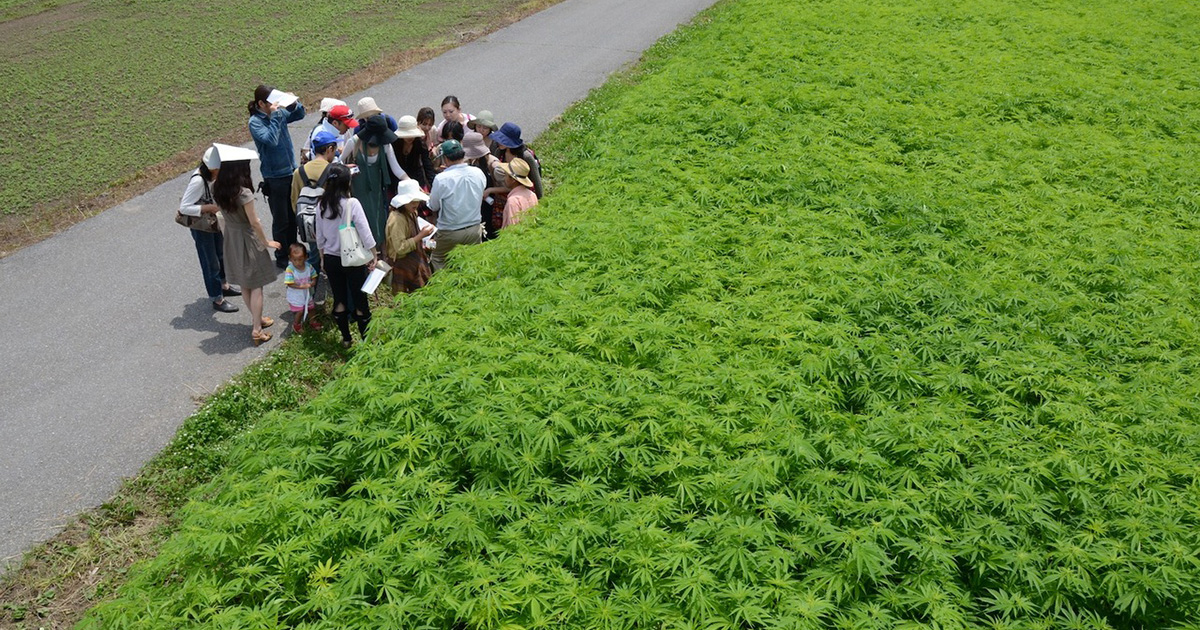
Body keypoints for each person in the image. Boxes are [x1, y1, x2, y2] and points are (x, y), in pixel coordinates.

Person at [210, 144, 281, 345]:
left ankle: (257, 320)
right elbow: (254, 222)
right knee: (256, 284)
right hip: (247, 238)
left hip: (231, 237)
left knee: (244, 283)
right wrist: (266, 242)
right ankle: (257, 329)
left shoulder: (216, 187)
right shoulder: (243, 193)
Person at [315, 163, 378, 347]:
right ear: (347, 182)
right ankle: (366, 341)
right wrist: (374, 254)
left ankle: (346, 339)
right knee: (360, 301)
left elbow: (319, 236)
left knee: (339, 298)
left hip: (332, 259)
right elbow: (365, 233)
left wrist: (322, 257)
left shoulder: (321, 205)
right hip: (352, 259)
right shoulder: (352, 204)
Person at [247, 84, 307, 268]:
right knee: (281, 220)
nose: (276, 105)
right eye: (272, 102)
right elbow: (271, 140)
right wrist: (275, 116)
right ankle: (282, 255)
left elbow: (299, 114)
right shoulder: (255, 122)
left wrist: (293, 102)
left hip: (291, 172)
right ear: (261, 104)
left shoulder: (277, 113)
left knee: (292, 216)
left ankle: (293, 250)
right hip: (275, 177)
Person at [180, 146, 240, 313]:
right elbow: (184, 208)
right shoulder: (198, 180)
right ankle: (217, 298)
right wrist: (207, 207)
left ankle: (223, 284)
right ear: (212, 168)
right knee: (210, 261)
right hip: (202, 227)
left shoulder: (209, 177)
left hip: (212, 223)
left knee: (220, 255)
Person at [291, 130, 340, 307]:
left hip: (309, 225)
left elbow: (294, 200)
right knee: (333, 258)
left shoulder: (299, 172)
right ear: (329, 149)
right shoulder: (333, 170)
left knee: (313, 257)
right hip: (330, 224)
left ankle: (308, 298)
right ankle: (337, 299)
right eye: (334, 149)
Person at [427, 139, 485, 271]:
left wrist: (426, 198)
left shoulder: (441, 178)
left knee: (439, 260)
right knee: (471, 264)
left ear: (445, 159)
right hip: (474, 229)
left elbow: (433, 206)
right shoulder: (478, 172)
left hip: (449, 232)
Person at [344, 115, 400, 245]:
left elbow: (396, 169)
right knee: (360, 218)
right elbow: (338, 163)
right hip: (357, 189)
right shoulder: (354, 143)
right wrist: (346, 168)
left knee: (379, 219)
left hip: (377, 190)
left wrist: (409, 181)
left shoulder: (385, 146)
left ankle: (379, 249)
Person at [386, 180, 435, 293]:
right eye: (412, 201)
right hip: (403, 265)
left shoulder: (412, 212)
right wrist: (421, 236)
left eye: (417, 201)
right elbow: (400, 248)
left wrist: (423, 240)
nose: (415, 204)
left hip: (415, 262)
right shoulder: (397, 219)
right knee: (406, 300)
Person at [462, 131, 501, 239]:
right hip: (477, 205)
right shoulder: (473, 161)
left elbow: (508, 187)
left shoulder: (493, 164)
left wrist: (489, 191)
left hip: (492, 205)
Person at [491, 122, 544, 199]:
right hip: (502, 196)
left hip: (522, 195)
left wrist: (540, 199)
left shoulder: (525, 156)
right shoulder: (499, 152)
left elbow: (536, 179)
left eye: (503, 140)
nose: (499, 142)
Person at [284, 243, 321, 333]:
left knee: (311, 308)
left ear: (305, 257)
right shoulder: (290, 269)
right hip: (296, 295)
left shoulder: (308, 267)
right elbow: (289, 283)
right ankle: (296, 324)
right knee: (299, 311)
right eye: (294, 260)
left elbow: (314, 275)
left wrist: (313, 282)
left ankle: (313, 320)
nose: (297, 263)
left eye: (300, 259)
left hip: (307, 294)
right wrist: (302, 286)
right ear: (290, 258)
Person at [393, 115, 435, 191]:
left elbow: (427, 165)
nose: (410, 138)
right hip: (397, 181)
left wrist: (434, 185)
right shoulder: (394, 145)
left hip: (417, 178)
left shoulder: (420, 143)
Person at [496, 158, 539, 228]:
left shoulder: (513, 201)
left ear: (513, 179)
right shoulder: (532, 194)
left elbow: (512, 228)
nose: (504, 178)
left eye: (506, 175)